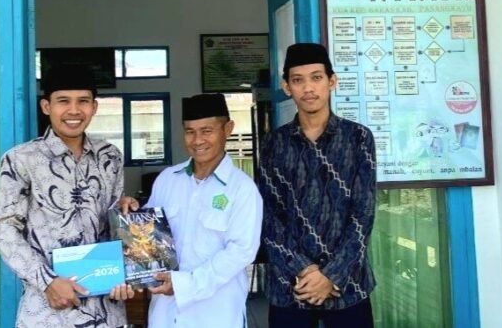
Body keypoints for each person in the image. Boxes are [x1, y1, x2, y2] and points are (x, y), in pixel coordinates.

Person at [0, 63, 133, 328]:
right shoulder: (21, 159)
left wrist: (127, 216)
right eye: (63, 101)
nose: (74, 110)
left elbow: (113, 226)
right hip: (48, 313)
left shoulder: (110, 156)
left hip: (106, 311)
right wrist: (48, 282)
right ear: (47, 106)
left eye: (83, 101)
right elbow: (4, 230)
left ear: (94, 107)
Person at [258, 43, 377, 328]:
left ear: (331, 81)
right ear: (287, 87)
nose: (308, 88)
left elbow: (363, 214)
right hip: (290, 285)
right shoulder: (274, 144)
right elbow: (269, 217)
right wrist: (305, 269)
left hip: (347, 284)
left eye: (316, 77)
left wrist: (330, 275)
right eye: (298, 80)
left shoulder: (358, 138)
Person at [140, 93, 263, 328]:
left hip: (216, 315)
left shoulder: (242, 189)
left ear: (227, 129)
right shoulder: (167, 179)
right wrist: (130, 213)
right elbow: (147, 236)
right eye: (190, 131)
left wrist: (185, 285)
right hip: (165, 316)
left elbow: (240, 252)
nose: (197, 140)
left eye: (207, 131)